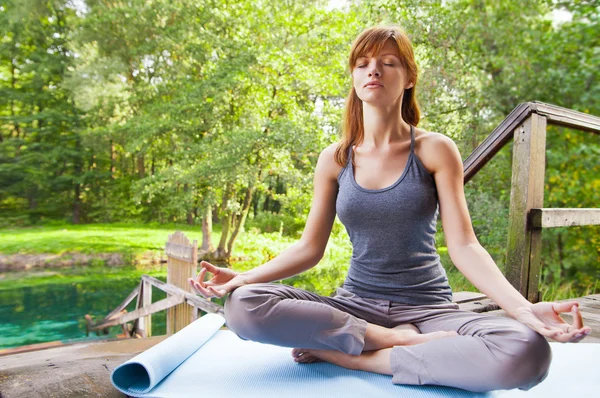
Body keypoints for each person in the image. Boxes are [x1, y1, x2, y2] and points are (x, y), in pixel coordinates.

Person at [189, 26, 591, 392]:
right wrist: (244, 277)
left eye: (388, 63)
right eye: (362, 64)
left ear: (409, 77)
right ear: (353, 78)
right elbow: (309, 249)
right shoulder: (335, 158)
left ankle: (345, 355)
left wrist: (521, 310)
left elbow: (464, 245)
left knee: (527, 352)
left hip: (430, 307)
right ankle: (388, 340)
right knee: (243, 305)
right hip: (354, 305)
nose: (373, 71)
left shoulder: (434, 149)